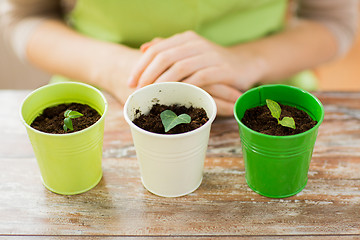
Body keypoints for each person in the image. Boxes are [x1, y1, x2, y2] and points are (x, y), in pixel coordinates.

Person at [0, 0, 358, 116]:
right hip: (102, 93)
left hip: (262, 91)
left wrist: (247, 61)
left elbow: (334, 22)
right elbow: (25, 17)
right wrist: (113, 68)